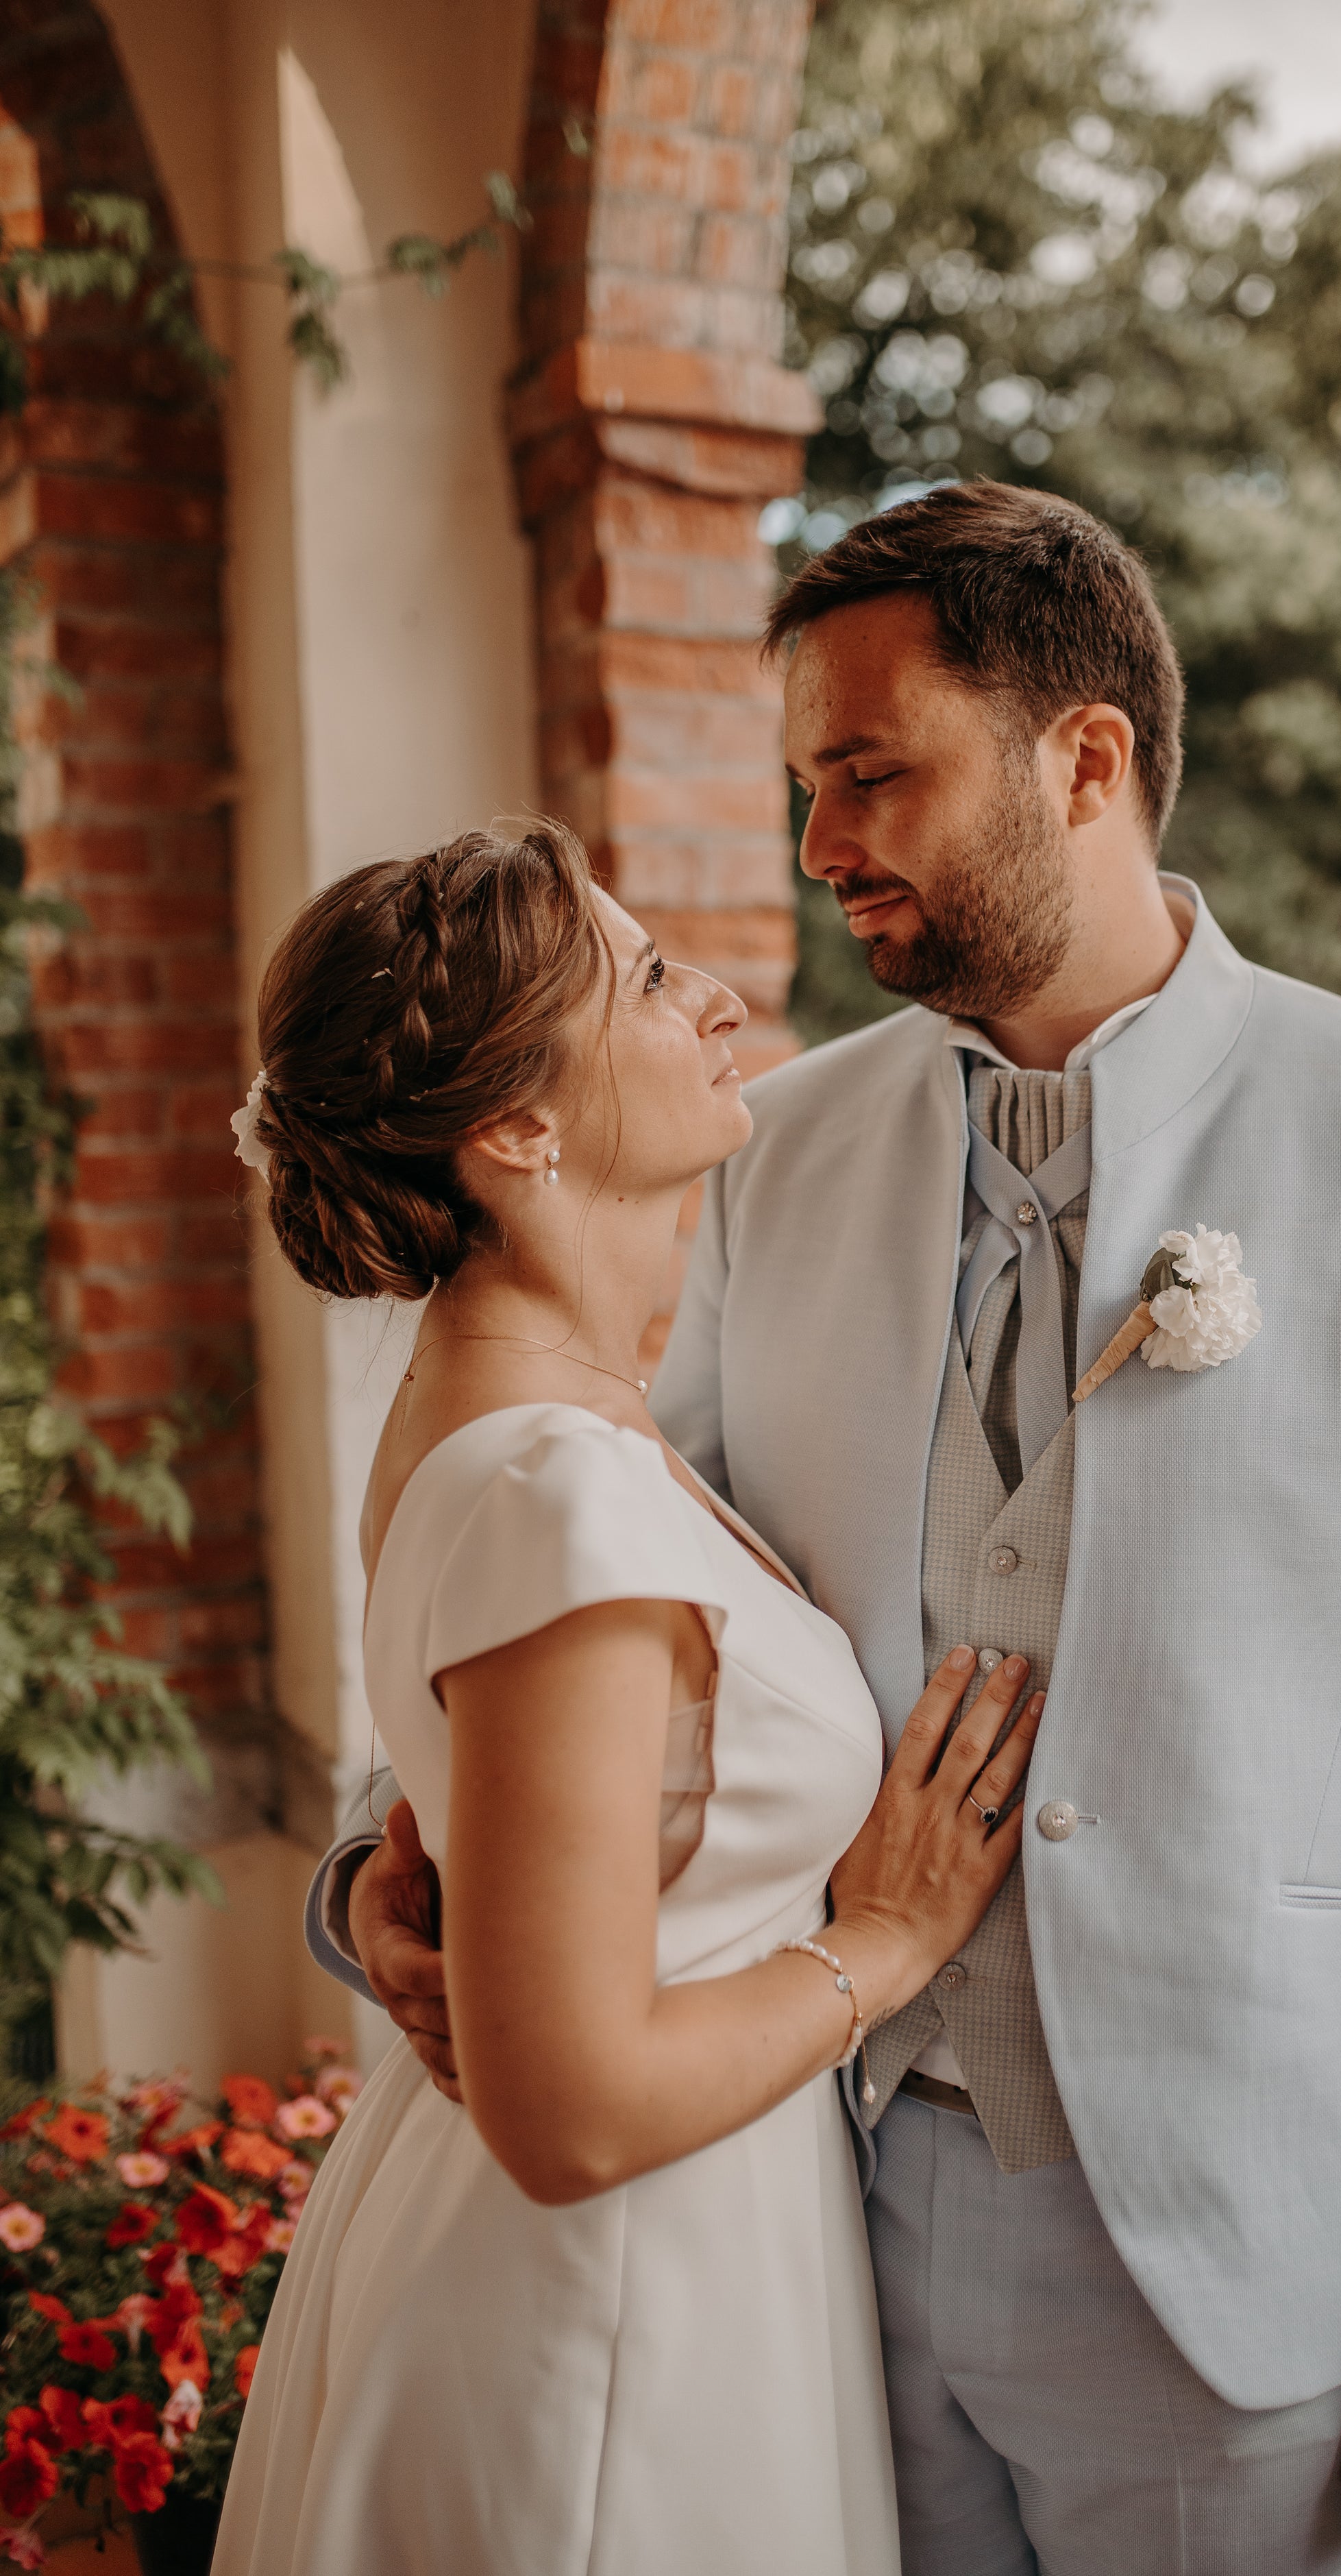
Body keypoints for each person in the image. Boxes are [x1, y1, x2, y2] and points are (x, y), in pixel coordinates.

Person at [317, 486, 1341, 2575]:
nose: (820, 845)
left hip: (1236, 2249)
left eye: (869, 772)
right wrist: (378, 1861)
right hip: (821, 2209)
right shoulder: (771, 1151)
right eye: (801, 786)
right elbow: (589, 1562)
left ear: (1081, 759)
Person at [212, 821, 1048, 2575]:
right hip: (611, 2317)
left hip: (681, 2245)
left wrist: (395, 1868)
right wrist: (883, 1943)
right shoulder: (556, 1491)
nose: (722, 998)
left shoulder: (521, 1418)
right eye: (652, 981)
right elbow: (570, 2107)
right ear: (516, 1131)